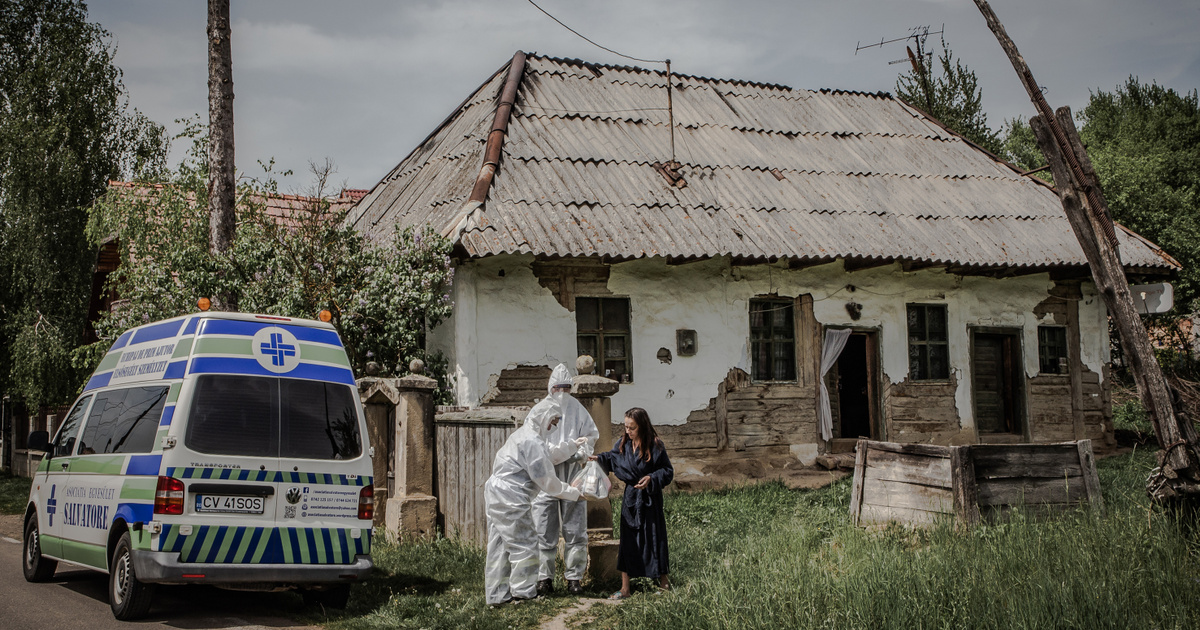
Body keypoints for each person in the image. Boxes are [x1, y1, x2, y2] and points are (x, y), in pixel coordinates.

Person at [484, 398, 586, 606]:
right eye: (554, 420)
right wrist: (574, 492)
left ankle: (496, 595)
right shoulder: (532, 441)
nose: (555, 425)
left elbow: (548, 456)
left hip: (497, 492)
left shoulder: (524, 436)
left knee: (500, 545)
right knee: (525, 543)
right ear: (543, 417)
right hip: (511, 497)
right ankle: (524, 593)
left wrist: (571, 446)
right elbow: (548, 481)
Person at [592, 407, 673, 599]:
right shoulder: (623, 444)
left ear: (642, 426)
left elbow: (667, 471)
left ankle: (664, 584)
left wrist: (652, 478)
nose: (628, 431)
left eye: (632, 428)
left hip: (650, 500)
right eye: (626, 426)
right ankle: (625, 589)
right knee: (628, 543)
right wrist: (597, 459)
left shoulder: (655, 445)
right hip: (630, 500)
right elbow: (611, 458)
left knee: (655, 538)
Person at [532, 363, 599, 595]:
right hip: (545, 477)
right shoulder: (539, 411)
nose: (562, 394)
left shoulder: (578, 409)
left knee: (575, 528)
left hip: (572, 474)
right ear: (551, 388)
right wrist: (563, 451)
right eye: (558, 389)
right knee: (544, 528)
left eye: (566, 389)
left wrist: (581, 453)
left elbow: (591, 435)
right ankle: (544, 578)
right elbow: (534, 444)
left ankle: (574, 578)